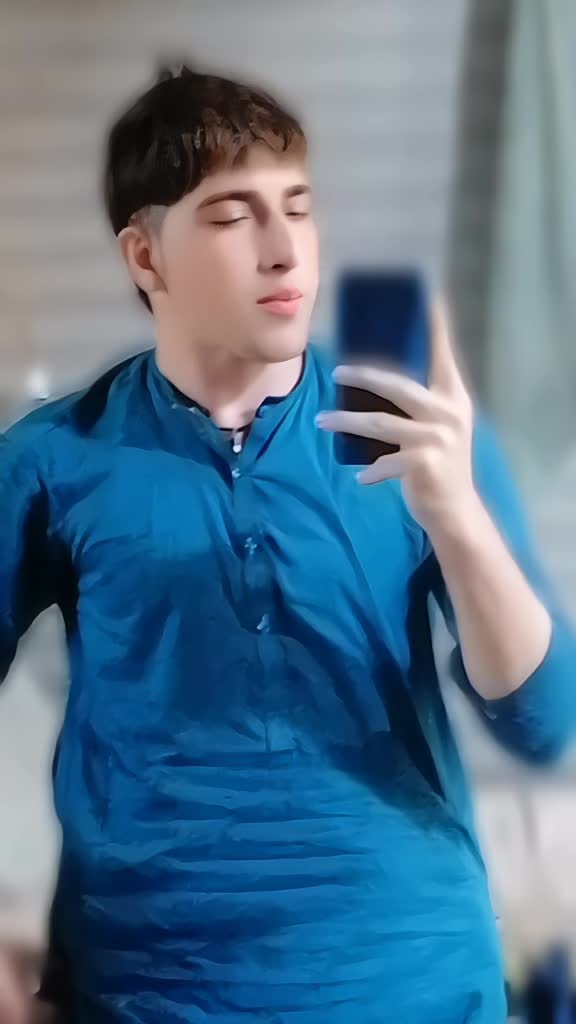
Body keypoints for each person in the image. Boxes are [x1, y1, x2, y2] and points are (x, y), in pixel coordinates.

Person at [0, 62, 574, 1024]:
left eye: (298, 208)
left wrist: (458, 515)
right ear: (146, 257)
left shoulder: (421, 436)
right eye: (233, 217)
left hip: (417, 983)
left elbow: (544, 722)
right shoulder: (54, 459)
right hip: (150, 992)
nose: (283, 251)